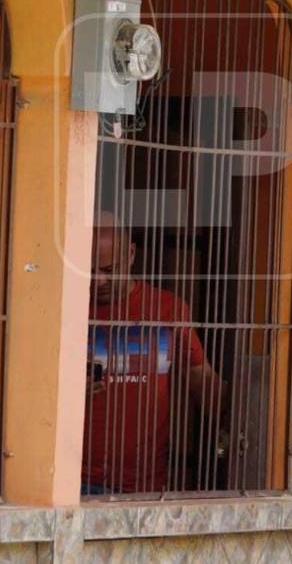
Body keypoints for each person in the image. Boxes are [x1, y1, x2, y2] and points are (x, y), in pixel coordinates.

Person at [82, 211, 226, 495]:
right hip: (67, 482)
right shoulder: (62, 307)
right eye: (89, 270)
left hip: (142, 485)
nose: (98, 281)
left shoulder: (166, 310)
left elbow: (203, 382)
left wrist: (243, 423)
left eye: (109, 270)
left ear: (132, 254)